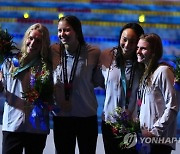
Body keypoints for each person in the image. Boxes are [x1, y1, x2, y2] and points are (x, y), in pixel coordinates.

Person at [49, 15, 101, 154]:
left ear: (77, 31)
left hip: (86, 116)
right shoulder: (53, 51)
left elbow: (98, 81)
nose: (62, 34)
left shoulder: (93, 52)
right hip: (61, 118)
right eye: (59, 30)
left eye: (67, 30)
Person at [0, 23, 53, 154]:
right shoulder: (10, 62)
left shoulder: (47, 67)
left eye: (38, 41)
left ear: (43, 44)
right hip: (12, 125)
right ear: (26, 38)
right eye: (31, 38)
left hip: (37, 127)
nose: (33, 43)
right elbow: (3, 92)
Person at [99, 23, 144, 154]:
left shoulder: (142, 64)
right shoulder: (108, 56)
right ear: (120, 38)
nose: (127, 45)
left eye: (132, 41)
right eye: (124, 39)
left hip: (133, 125)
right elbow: (100, 82)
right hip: (109, 123)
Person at [137, 33, 179, 154]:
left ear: (153, 52)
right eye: (138, 48)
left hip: (159, 141)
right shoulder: (147, 74)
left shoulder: (163, 71)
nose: (138, 51)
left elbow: (172, 106)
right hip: (146, 140)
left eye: (143, 48)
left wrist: (154, 132)